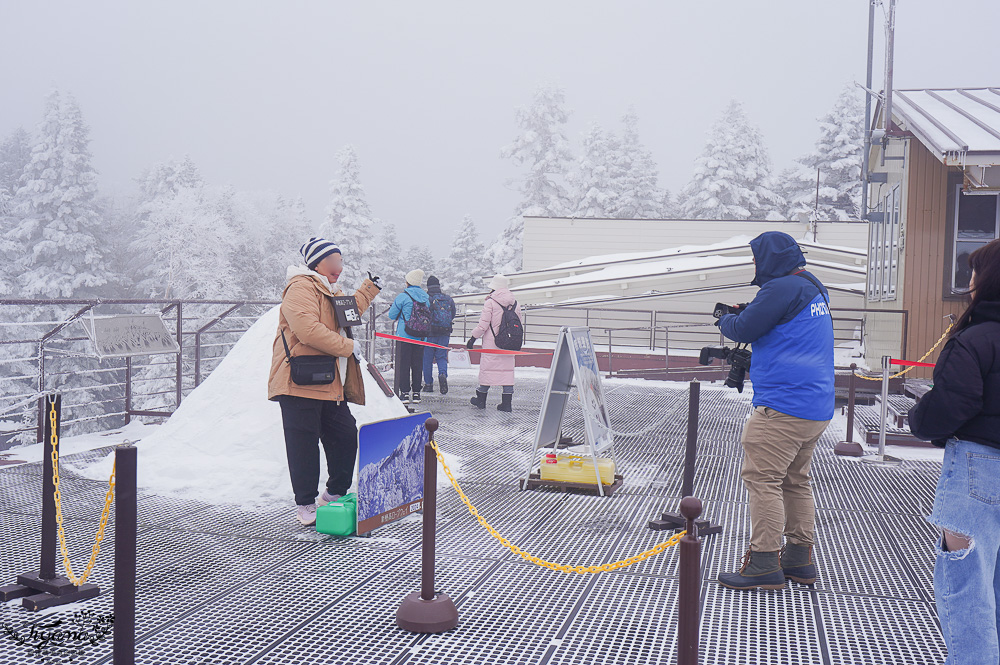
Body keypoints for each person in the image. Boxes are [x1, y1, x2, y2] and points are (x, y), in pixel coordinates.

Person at [714, 231, 834, 590]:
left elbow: (745, 327)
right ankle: (799, 559)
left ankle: (764, 562)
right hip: (815, 405)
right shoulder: (811, 286)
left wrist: (724, 318)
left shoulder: (780, 288)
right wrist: (750, 311)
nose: (754, 264)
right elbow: (780, 324)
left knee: (763, 479)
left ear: (768, 259)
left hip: (783, 407)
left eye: (756, 258)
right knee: (795, 481)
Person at [909, 239, 1000, 664]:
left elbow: (952, 405)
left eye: (974, 272)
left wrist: (919, 418)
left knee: (968, 585)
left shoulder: (976, 338)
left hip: (978, 467)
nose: (969, 281)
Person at [268, 237, 381, 526]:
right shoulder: (301, 287)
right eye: (333, 260)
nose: (339, 266)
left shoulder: (331, 289)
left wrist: (368, 289)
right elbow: (307, 329)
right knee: (303, 445)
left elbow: (348, 314)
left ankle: (333, 495)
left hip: (330, 381)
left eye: (340, 261)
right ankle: (305, 503)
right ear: (317, 263)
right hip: (299, 381)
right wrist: (347, 347)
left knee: (345, 436)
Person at [467, 274, 521, 413]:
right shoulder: (515, 303)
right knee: (507, 372)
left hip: (492, 344)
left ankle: (481, 400)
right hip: (509, 343)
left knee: (488, 370)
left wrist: (473, 338)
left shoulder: (490, 302)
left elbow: (483, 325)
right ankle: (507, 404)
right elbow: (518, 324)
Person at [387, 269, 429, 404]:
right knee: (418, 364)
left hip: (404, 336)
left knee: (403, 364)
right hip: (421, 337)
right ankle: (417, 393)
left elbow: (391, 315)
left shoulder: (403, 297)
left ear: (408, 282)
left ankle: (404, 393)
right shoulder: (426, 298)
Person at [422, 275, 457, 394]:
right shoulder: (448, 299)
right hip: (445, 332)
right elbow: (452, 314)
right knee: (441, 357)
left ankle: (428, 384)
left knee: (427, 359)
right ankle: (442, 374)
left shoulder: (427, 299)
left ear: (428, 286)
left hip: (429, 333)